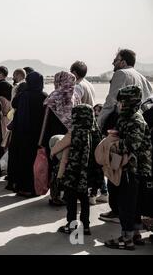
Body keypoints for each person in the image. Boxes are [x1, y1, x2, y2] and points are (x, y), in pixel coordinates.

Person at [98, 49, 153, 223]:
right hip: (138, 125)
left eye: (115, 59)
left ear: (122, 61)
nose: (113, 63)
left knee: (115, 165)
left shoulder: (121, 73)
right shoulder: (141, 76)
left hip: (119, 123)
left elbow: (111, 101)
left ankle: (117, 210)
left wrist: (99, 124)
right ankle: (131, 213)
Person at [104, 86, 152, 250]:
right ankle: (136, 234)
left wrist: (111, 143)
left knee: (127, 204)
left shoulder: (135, 120)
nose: (119, 104)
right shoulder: (126, 117)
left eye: (122, 101)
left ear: (130, 102)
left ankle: (127, 239)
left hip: (134, 169)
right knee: (133, 203)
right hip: (127, 167)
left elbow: (132, 145)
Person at [57, 105, 96, 236]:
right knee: (85, 200)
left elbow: (59, 149)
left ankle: (71, 225)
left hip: (73, 172)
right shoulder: (94, 132)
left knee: (72, 199)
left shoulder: (74, 133)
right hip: (88, 173)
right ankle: (85, 226)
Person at [43, 71, 79, 205]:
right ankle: (66, 195)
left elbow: (46, 120)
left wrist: (41, 141)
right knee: (68, 165)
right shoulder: (75, 95)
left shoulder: (54, 96)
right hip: (71, 137)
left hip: (54, 137)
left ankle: (55, 196)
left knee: (55, 166)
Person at [8, 72, 47, 195]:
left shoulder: (22, 95)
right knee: (34, 162)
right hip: (37, 135)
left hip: (21, 134)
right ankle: (34, 188)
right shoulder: (44, 96)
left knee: (22, 160)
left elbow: (13, 104)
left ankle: (22, 187)